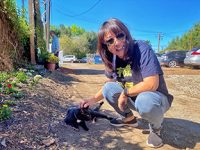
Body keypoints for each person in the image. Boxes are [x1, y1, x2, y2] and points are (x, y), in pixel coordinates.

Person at [80, 18, 173, 148]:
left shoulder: (141, 49)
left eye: (120, 36)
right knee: (108, 88)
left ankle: (156, 128)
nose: (117, 43)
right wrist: (92, 100)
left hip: (155, 100)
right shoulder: (112, 59)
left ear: (126, 34)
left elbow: (152, 84)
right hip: (134, 99)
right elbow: (109, 84)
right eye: (110, 41)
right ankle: (129, 119)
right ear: (105, 46)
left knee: (144, 99)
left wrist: (125, 93)